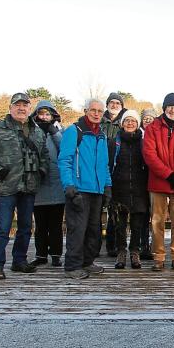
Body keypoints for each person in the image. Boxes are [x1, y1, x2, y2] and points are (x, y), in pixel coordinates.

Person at [0, 92, 50, 280]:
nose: (21, 108)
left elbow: (45, 155)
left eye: (25, 105)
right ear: (10, 108)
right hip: (6, 187)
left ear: (29, 109)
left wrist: (42, 170)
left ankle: (19, 261)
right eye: (17, 105)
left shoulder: (37, 131)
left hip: (29, 187)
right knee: (3, 228)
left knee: (26, 227)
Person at [57, 98, 112, 279]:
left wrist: (107, 186)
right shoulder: (75, 131)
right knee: (77, 228)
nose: (96, 114)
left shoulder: (101, 135)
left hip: (96, 190)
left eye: (99, 111)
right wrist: (69, 186)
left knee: (93, 229)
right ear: (85, 110)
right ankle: (72, 266)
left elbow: (104, 164)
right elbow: (65, 160)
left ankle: (87, 262)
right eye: (93, 110)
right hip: (79, 189)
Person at [143, 92, 174, 271]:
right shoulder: (153, 128)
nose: (173, 109)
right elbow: (150, 155)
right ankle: (158, 256)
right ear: (164, 108)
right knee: (157, 221)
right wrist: (169, 175)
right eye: (169, 106)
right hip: (159, 182)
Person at [107, 110, 149, 270]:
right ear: (122, 123)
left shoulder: (144, 142)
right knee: (120, 223)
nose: (130, 123)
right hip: (119, 187)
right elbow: (109, 165)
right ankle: (121, 251)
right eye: (127, 121)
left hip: (139, 187)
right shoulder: (114, 143)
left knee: (137, 224)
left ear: (138, 124)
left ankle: (135, 251)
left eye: (133, 121)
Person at [29, 100, 65, 267]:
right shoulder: (30, 131)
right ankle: (41, 254)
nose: (44, 117)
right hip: (39, 183)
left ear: (53, 115)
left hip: (57, 183)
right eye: (41, 113)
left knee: (56, 224)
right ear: (36, 115)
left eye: (47, 114)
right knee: (40, 224)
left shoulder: (60, 130)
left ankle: (56, 254)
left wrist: (54, 132)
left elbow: (65, 149)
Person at [103, 92, 126, 257]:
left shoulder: (126, 123)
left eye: (118, 103)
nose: (115, 105)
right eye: (112, 102)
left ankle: (115, 246)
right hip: (99, 169)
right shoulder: (99, 121)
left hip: (117, 172)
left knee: (116, 212)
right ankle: (94, 246)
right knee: (96, 211)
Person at [138, 108, 157, 261]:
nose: (148, 120)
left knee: (152, 215)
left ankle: (150, 245)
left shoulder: (157, 135)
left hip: (154, 179)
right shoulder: (137, 134)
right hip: (139, 180)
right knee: (141, 214)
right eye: (146, 118)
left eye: (151, 118)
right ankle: (140, 245)